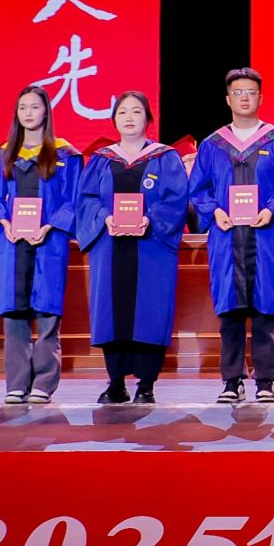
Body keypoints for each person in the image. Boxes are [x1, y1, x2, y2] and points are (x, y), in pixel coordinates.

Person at [186, 67, 274, 404]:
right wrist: (214, 212)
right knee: (230, 311)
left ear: (260, 97)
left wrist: (273, 210)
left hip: (264, 236)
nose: (244, 97)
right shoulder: (213, 144)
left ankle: (265, 379)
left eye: (250, 92)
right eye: (238, 92)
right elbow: (198, 190)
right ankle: (232, 380)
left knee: (264, 309)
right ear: (227, 99)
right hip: (226, 236)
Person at [76, 90, 189, 404]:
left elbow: (177, 198)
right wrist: (105, 217)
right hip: (110, 245)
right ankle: (116, 383)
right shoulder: (101, 159)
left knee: (150, 309)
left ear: (148, 119)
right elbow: (86, 199)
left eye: (136, 111)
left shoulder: (165, 157)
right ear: (114, 119)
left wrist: (150, 218)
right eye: (123, 112)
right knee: (110, 310)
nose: (129, 117)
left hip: (152, 247)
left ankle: (146, 384)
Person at [0, 84, 81, 404]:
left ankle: (44, 383)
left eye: (34, 107)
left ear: (46, 111)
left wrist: (51, 224)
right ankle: (17, 382)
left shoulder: (66, 155)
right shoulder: (2, 156)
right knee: (15, 313)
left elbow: (75, 198)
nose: (28, 113)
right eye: (22, 108)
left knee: (47, 312)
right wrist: (4, 222)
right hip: (13, 242)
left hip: (49, 242)